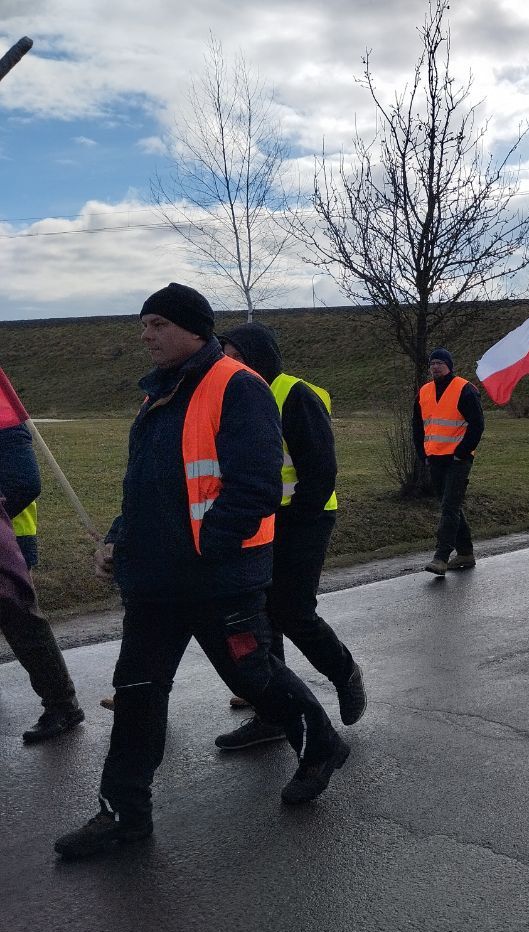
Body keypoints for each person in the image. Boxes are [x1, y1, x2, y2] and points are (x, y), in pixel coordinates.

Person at [55, 283, 348, 861]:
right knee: (137, 693)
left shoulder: (239, 388)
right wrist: (118, 539)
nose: (146, 335)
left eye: (158, 324)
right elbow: (146, 489)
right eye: (144, 325)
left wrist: (209, 548)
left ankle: (321, 744)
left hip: (219, 580)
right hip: (155, 587)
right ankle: (123, 813)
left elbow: (255, 486)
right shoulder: (158, 396)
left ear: (194, 327)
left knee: (254, 676)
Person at [211, 322, 366, 751]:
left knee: (291, 610)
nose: (227, 362)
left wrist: (293, 518)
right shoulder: (232, 398)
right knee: (260, 614)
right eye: (224, 355)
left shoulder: (294, 395)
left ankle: (343, 671)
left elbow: (321, 473)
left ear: (257, 356)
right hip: (258, 521)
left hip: (305, 517)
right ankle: (273, 713)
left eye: (235, 355)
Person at [0, 418, 83, 743]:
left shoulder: (3, 412)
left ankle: (62, 706)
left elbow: (23, 481)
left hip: (8, 544)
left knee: (22, 625)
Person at [415, 348, 484, 576]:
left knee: (449, 507)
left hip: (458, 459)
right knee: (450, 505)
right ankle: (465, 553)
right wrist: (422, 453)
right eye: (432, 362)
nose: (435, 366)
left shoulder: (464, 389)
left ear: (449, 365)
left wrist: (462, 452)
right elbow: (417, 425)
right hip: (434, 458)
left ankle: (441, 557)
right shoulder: (424, 391)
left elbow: (477, 424)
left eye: (440, 362)